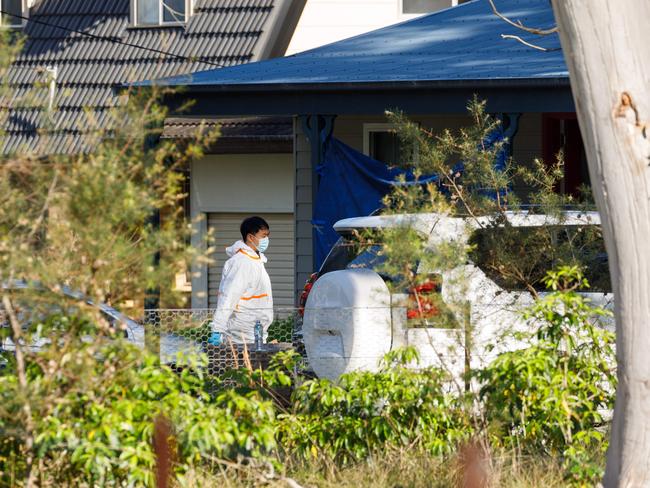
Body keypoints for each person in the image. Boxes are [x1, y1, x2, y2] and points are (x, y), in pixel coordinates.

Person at [209, 216, 273, 345]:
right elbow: (229, 296)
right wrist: (218, 329)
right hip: (242, 331)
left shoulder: (256, 261)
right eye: (263, 236)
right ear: (250, 237)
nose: (266, 239)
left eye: (267, 235)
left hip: (255, 329)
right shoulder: (242, 263)